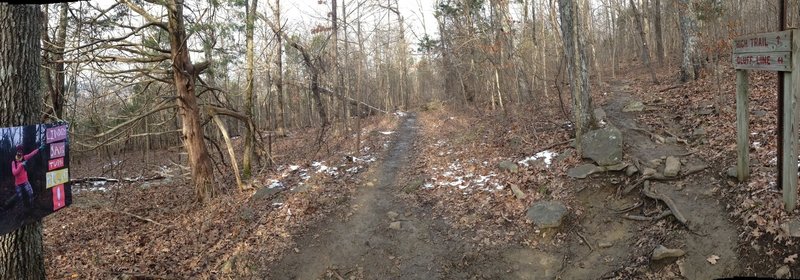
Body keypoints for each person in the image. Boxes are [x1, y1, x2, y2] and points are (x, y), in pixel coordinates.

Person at [11, 144, 45, 208]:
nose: (19, 152)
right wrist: (21, 165)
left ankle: (31, 207)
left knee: (31, 194)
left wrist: (39, 149)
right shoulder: (14, 162)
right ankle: (22, 211)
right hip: (18, 184)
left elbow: (32, 154)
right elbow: (14, 173)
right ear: (16, 151)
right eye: (18, 151)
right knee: (20, 199)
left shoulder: (24, 157)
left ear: (22, 152)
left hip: (25, 182)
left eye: (21, 151)